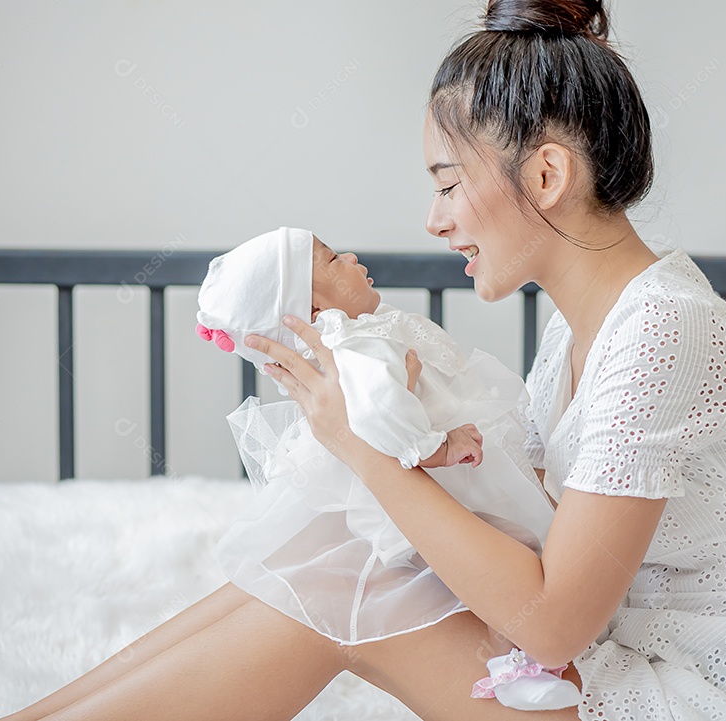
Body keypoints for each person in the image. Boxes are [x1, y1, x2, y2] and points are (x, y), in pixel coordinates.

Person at [0, 1, 726, 720]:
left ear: (548, 175)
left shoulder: (663, 331)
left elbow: (556, 619)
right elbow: (540, 525)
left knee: (347, 581)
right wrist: (427, 447)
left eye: (446, 183)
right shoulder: (580, 328)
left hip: (723, 703)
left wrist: (367, 451)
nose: (434, 220)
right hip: (635, 664)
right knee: (337, 547)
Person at [194, 226, 580, 710]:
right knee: (518, 548)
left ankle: (518, 659)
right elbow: (380, 410)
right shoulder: (354, 343)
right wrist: (435, 446)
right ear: (314, 311)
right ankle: (518, 665)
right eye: (334, 260)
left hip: (398, 498)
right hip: (430, 485)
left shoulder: (350, 341)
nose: (353, 256)